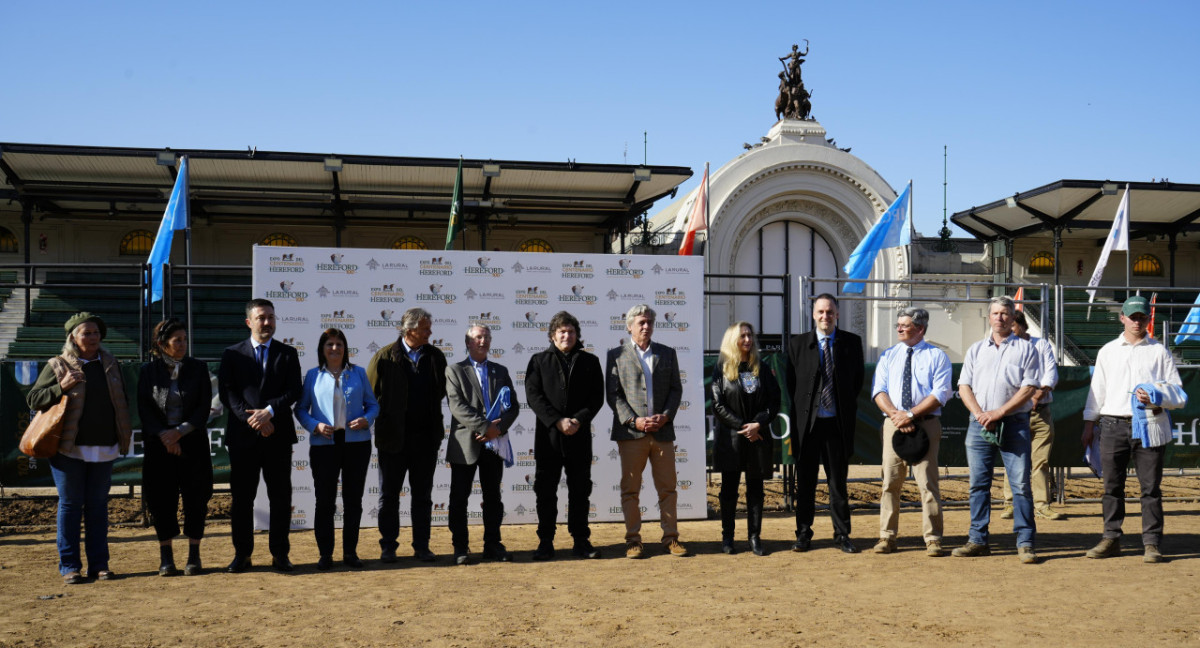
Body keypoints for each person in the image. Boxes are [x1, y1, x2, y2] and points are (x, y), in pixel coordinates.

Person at [27, 312, 132, 584]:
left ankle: (99, 565)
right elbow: (34, 399)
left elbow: (120, 403)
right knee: (71, 506)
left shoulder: (110, 363)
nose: (93, 337)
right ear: (73, 337)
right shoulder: (58, 364)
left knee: (98, 507)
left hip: (104, 447)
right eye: (86, 333)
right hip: (67, 450)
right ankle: (70, 566)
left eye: (96, 333)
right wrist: (61, 387)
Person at [1082, 296, 1182, 563]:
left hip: (1150, 424)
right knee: (1111, 486)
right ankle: (1111, 538)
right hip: (1112, 424)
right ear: (1122, 318)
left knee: (1150, 488)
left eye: (1142, 317)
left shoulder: (1160, 352)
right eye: (1133, 316)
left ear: (1149, 319)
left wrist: (1157, 398)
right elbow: (1097, 391)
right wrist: (1089, 424)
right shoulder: (1107, 351)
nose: (1137, 321)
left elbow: (1178, 394)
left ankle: (1151, 543)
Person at [218, 298, 303, 573]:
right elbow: (228, 393)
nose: (267, 323)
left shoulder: (288, 353)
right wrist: (254, 419)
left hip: (277, 436)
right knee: (242, 499)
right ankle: (242, 555)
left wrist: (269, 412)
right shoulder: (232, 354)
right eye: (261, 318)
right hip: (243, 438)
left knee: (280, 498)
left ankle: (280, 555)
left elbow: (294, 392)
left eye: (271, 317)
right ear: (248, 322)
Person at [955, 295, 1040, 564]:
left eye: (1005, 313)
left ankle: (1025, 541)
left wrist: (999, 412)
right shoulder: (975, 350)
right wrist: (980, 414)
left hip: (1013, 424)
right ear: (989, 317)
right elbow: (964, 386)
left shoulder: (1027, 350)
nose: (1000, 318)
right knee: (978, 485)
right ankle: (978, 539)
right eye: (995, 313)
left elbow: (1029, 388)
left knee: (1021, 486)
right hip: (979, 424)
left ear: (1014, 318)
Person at [366, 307, 447, 564]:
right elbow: (370, 394)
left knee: (422, 497)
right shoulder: (385, 357)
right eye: (425, 328)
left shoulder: (435, 356)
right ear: (410, 330)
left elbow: (442, 391)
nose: (429, 332)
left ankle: (422, 546)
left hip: (425, 440)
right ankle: (388, 546)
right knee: (389, 496)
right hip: (393, 440)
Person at [606, 304, 688, 559]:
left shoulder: (668, 353)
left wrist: (665, 416)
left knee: (668, 489)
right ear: (629, 326)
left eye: (649, 322)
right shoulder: (615, 355)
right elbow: (613, 395)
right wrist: (634, 421)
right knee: (631, 490)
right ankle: (633, 541)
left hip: (662, 433)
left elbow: (676, 390)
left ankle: (671, 538)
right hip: (632, 435)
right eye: (641, 322)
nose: (646, 326)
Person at [295, 328, 379, 570]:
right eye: (329, 344)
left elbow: (373, 406)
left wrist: (367, 419)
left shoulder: (359, 373)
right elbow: (300, 409)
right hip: (324, 446)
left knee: (354, 501)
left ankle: (350, 553)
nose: (335, 348)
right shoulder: (312, 376)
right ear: (322, 349)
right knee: (325, 502)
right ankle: (325, 555)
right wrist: (315, 425)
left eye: (339, 344)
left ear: (346, 348)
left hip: (357, 445)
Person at [870, 308, 952, 557]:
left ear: (921, 329)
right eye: (898, 325)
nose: (899, 329)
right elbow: (878, 390)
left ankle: (933, 538)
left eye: (905, 325)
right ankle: (887, 537)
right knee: (890, 482)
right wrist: (897, 415)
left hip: (925, 425)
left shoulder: (937, 356)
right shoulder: (888, 355)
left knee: (927, 482)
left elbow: (940, 394)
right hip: (893, 424)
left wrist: (911, 414)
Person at [786, 293, 864, 553]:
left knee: (837, 484)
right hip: (807, 428)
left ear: (837, 314)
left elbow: (856, 383)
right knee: (806, 483)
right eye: (820, 312)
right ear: (813, 315)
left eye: (830, 312)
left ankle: (842, 534)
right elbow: (791, 385)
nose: (825, 317)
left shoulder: (852, 343)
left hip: (836, 426)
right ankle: (804, 534)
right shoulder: (797, 345)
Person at [525, 311, 605, 561]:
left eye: (571, 331)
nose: (566, 335)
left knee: (580, 491)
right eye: (561, 331)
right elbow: (533, 396)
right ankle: (546, 542)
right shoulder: (538, 361)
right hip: (549, 438)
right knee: (546, 491)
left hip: (579, 437)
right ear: (552, 335)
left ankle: (581, 540)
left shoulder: (590, 362)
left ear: (577, 335)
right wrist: (557, 421)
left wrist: (578, 420)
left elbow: (596, 398)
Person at [138, 318, 214, 576]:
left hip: (192, 443)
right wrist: (165, 436)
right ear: (162, 344)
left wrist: (179, 433)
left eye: (184, 339)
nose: (183, 344)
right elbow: (145, 409)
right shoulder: (148, 372)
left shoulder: (198, 368)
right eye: (177, 340)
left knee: (197, 498)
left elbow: (204, 407)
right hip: (159, 446)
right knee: (161, 500)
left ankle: (194, 556)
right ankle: (166, 558)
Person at [445, 325, 520, 565]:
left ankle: (492, 544)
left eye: (487, 337)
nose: (483, 340)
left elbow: (514, 406)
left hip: (494, 444)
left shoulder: (501, 371)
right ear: (468, 342)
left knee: (493, 498)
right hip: (465, 444)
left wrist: (498, 429)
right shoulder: (455, 370)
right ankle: (460, 547)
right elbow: (457, 407)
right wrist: (484, 427)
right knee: (459, 498)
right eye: (478, 337)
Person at [711, 322, 780, 556]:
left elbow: (774, 401)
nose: (748, 340)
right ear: (733, 340)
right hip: (731, 439)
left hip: (757, 437)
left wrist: (758, 423)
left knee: (756, 490)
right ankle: (728, 538)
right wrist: (742, 426)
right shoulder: (721, 368)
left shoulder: (763, 367)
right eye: (743, 336)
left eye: (750, 335)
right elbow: (718, 405)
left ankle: (754, 537)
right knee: (729, 490)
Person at [1000, 310, 1065, 521]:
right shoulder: (1005, 347)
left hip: (1040, 413)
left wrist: (1040, 391)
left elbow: (1050, 372)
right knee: (1013, 460)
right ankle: (1010, 504)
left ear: (1022, 325)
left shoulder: (1041, 345)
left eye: (1012, 325)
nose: (1009, 329)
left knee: (1040, 462)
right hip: (1015, 414)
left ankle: (1041, 505)